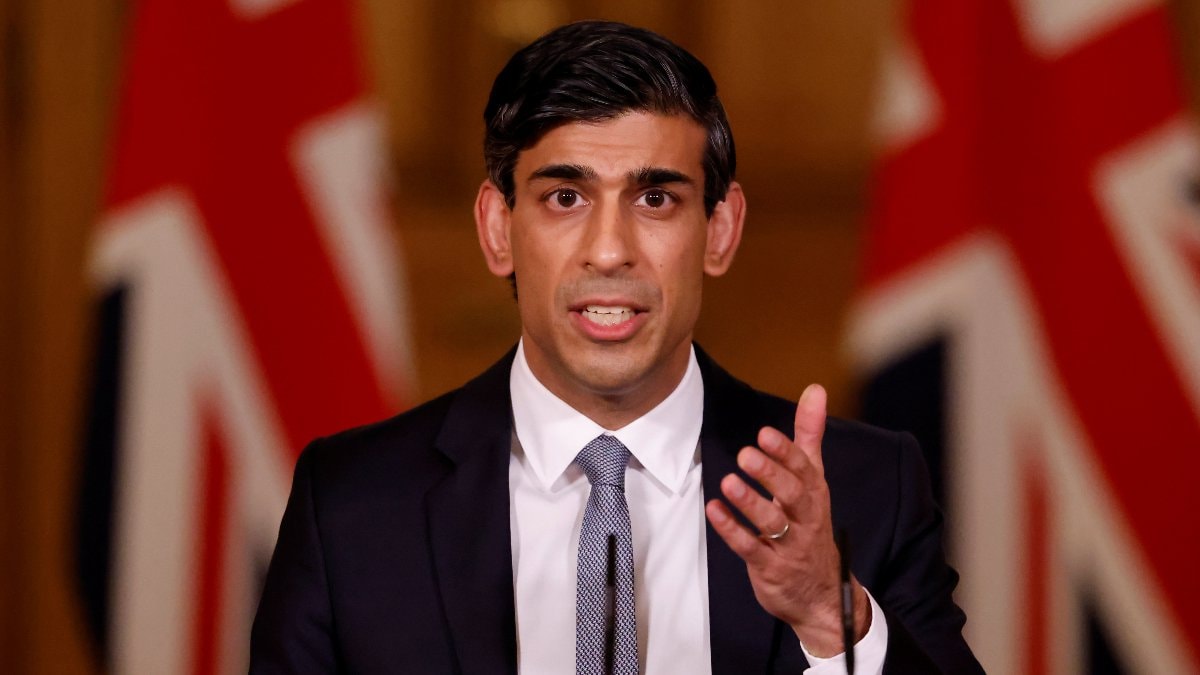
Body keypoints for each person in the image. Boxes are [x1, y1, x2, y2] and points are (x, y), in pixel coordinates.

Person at [250, 20, 983, 674]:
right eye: (565, 197)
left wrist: (831, 618)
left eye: (655, 198)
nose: (608, 251)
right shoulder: (352, 505)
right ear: (498, 229)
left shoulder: (864, 490)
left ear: (720, 230)